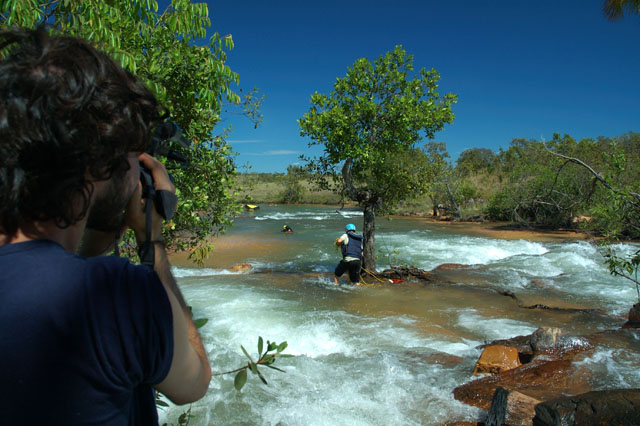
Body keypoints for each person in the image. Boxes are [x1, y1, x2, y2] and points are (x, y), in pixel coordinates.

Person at [0, 28, 211, 425]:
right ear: (100, 161)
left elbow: (54, 261)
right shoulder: (116, 296)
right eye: (134, 156)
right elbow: (195, 381)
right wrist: (151, 236)